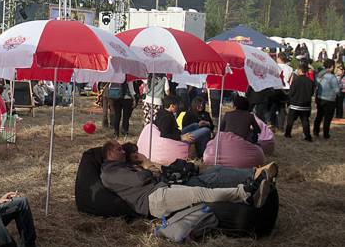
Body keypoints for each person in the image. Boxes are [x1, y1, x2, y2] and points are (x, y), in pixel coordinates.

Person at [99, 140, 274, 219]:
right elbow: (141, 179)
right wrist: (145, 167)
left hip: (161, 188)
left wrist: (147, 168)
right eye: (118, 149)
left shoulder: (120, 167)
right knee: (201, 192)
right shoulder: (111, 172)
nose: (122, 151)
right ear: (109, 153)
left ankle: (249, 186)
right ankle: (248, 192)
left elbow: (150, 175)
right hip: (153, 199)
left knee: (209, 180)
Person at [284, 63, 315, 141]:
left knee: (290, 120)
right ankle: (308, 136)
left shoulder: (296, 81)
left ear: (300, 70)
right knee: (305, 121)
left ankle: (287, 134)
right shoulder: (310, 81)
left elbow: (291, 93)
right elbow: (311, 93)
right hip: (305, 105)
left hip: (295, 104)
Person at [313, 59, 339, 139]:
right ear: (332, 66)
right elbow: (337, 90)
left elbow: (316, 82)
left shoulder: (320, 75)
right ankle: (326, 134)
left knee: (319, 116)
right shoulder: (332, 77)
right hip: (330, 99)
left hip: (320, 97)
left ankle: (316, 131)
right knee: (328, 118)